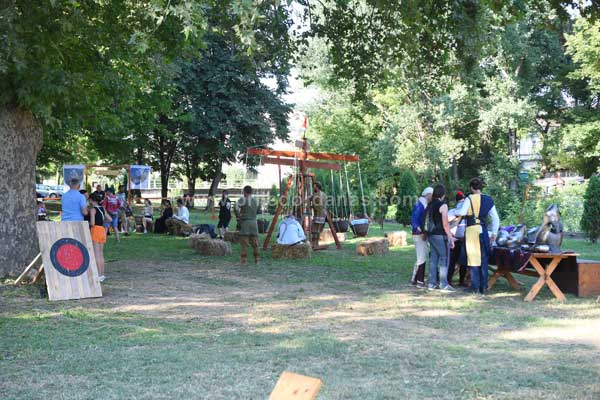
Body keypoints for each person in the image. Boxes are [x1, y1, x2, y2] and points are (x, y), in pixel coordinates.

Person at [455, 178, 500, 294]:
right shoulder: (488, 199)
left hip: (472, 230)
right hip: (483, 230)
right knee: (484, 258)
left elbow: (462, 212)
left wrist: (454, 212)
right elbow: (495, 218)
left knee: (473, 258)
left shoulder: (469, 198)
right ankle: (483, 286)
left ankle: (474, 287)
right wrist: (494, 233)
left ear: (471, 188)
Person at [425, 184, 455, 291]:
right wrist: (451, 238)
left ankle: (431, 283)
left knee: (433, 259)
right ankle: (443, 284)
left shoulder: (429, 204)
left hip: (430, 234)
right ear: (443, 194)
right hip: (440, 235)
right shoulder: (443, 205)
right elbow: (445, 224)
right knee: (444, 258)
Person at [410, 187, 433, 288]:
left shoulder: (423, 204)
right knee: (421, 257)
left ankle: (415, 278)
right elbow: (414, 220)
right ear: (428, 194)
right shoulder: (420, 204)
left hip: (420, 234)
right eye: (432, 195)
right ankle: (419, 280)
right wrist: (421, 231)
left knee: (421, 256)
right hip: (419, 234)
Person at [89, 193, 111, 282]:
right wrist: (102, 221)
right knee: (101, 254)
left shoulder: (93, 210)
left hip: (95, 230)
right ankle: (102, 274)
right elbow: (110, 219)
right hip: (102, 230)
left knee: (96, 254)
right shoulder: (102, 208)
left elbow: (92, 223)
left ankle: (98, 275)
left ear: (91, 200)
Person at [235, 185, 260, 265]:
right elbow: (258, 210)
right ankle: (257, 260)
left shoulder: (243, 199)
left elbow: (235, 207)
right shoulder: (255, 201)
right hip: (254, 223)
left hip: (245, 223)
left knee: (244, 244)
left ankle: (244, 261)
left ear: (244, 191)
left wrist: (238, 216)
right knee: (255, 243)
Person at [448, 191, 468, 286]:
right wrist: (455, 216)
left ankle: (462, 280)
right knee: (451, 262)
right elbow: (446, 222)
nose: (462, 204)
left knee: (464, 262)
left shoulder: (468, 213)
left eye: (463, 202)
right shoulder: (452, 212)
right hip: (454, 240)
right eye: (461, 202)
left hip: (464, 240)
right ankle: (448, 280)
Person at [310, 181, 328, 247]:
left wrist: (312, 206)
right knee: (318, 230)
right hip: (323, 214)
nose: (313, 187)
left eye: (314, 186)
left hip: (318, 214)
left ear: (317, 186)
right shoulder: (324, 194)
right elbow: (325, 204)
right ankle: (316, 243)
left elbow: (319, 205)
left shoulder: (316, 194)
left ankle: (314, 244)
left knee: (314, 230)